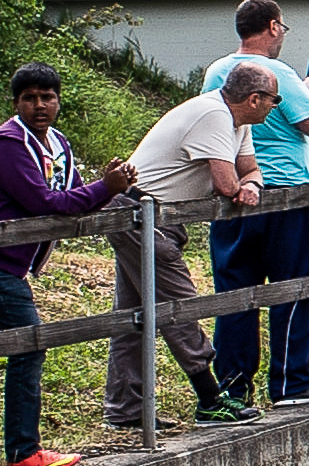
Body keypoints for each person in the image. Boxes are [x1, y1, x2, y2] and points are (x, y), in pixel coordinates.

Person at [0, 62, 138, 466]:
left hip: (1, 260)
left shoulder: (56, 144)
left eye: (47, 97)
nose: (39, 105)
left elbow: (72, 196)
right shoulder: (6, 146)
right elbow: (45, 204)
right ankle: (22, 451)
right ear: (15, 103)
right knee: (29, 345)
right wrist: (106, 187)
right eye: (29, 98)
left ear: (58, 100)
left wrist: (107, 189)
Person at [107, 59, 277, 432]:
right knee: (180, 307)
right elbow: (226, 185)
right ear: (253, 98)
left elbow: (250, 172)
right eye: (272, 100)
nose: (273, 107)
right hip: (138, 215)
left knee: (132, 316)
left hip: (154, 217)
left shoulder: (236, 122)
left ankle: (124, 408)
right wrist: (242, 185)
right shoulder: (214, 116)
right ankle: (209, 400)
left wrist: (253, 184)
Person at [201, 0, 309, 409]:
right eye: (282, 30)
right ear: (273, 27)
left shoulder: (216, 72)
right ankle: (291, 382)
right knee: (294, 288)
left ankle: (233, 387)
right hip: (286, 192)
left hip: (233, 192)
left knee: (235, 292)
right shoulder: (280, 74)